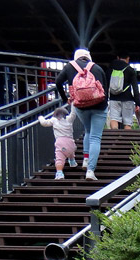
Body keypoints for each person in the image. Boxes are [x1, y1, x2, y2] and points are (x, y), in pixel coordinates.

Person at [55, 48, 107, 180]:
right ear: (88, 57)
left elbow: (58, 82)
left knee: (87, 131)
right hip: (99, 106)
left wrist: (64, 98)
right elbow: (105, 90)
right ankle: (90, 171)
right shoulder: (97, 68)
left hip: (80, 106)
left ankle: (85, 159)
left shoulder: (69, 67)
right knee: (95, 137)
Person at [38, 105, 78, 179]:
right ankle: (72, 161)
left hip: (61, 143)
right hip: (71, 143)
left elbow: (44, 123)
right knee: (70, 150)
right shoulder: (69, 119)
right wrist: (73, 104)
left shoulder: (54, 120)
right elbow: (73, 113)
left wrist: (40, 118)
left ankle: (59, 173)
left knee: (60, 158)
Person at [108, 53, 139, 130]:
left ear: (118, 57)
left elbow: (106, 84)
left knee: (114, 119)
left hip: (113, 98)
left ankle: (115, 138)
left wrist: (105, 99)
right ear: (128, 58)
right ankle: (126, 140)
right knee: (127, 123)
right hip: (127, 98)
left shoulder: (110, 68)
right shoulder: (130, 70)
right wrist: (137, 103)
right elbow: (135, 88)